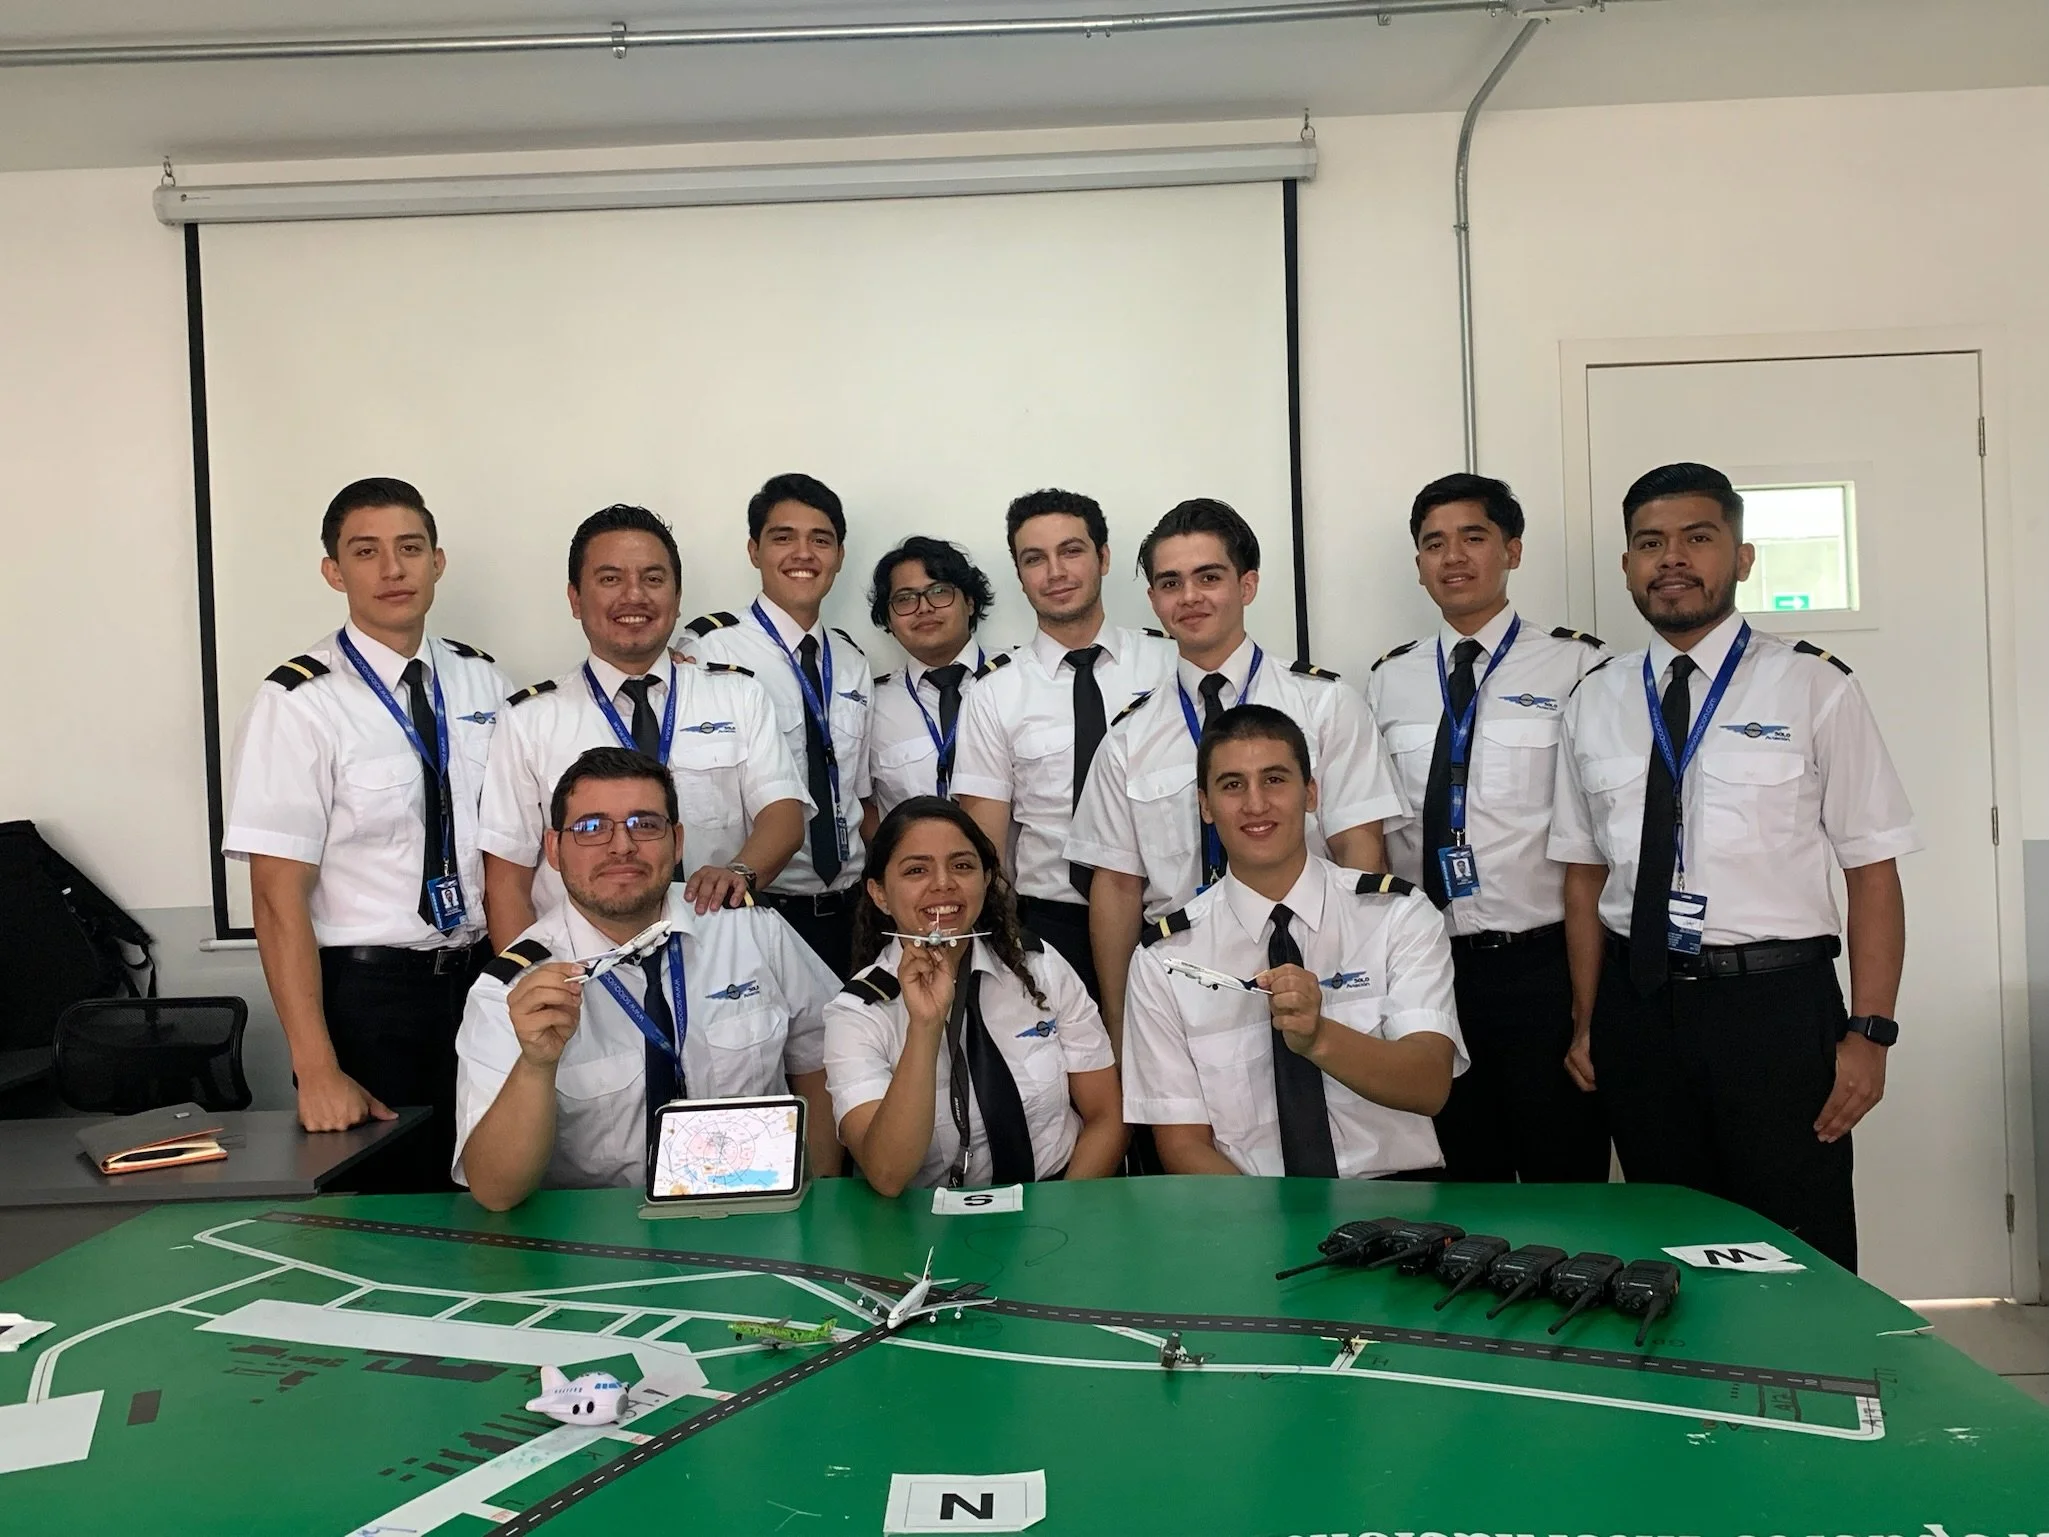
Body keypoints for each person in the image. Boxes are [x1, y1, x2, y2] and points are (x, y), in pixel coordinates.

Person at [1550, 462, 1917, 1271]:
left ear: (1740, 557)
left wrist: (1871, 1031)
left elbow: (1871, 871)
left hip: (1774, 1009)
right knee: (1668, 1243)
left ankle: (1815, 1395)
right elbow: (1582, 874)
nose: (1671, 558)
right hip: (1638, 1008)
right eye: (1649, 542)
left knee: (1798, 1240)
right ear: (1626, 566)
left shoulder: (1812, 688)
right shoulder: (1595, 697)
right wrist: (1587, 1018)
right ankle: (1694, 1395)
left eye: (1696, 537)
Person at [223, 476, 511, 1188]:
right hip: (369, 1000)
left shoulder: (484, 681)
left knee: (493, 1194)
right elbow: (275, 897)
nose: (392, 569)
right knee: (385, 1210)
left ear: (437, 561)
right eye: (366, 551)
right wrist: (316, 1065)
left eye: (410, 548)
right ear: (333, 570)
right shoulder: (299, 702)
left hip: (479, 981)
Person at [1066, 497, 1401, 1053]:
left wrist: (1353, 985)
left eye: (1209, 577)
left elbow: (1359, 850)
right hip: (1181, 987)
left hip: (1314, 973)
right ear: (1153, 600)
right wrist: (1123, 1024)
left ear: (1247, 585)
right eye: (1170, 583)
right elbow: (1119, 888)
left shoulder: (1324, 706)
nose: (1190, 597)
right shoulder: (1127, 737)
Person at [454, 748, 842, 1210]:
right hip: (601, 1244)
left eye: (645, 824)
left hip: (761, 1211)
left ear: (677, 842)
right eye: (592, 828)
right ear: (554, 849)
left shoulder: (750, 929)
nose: (622, 846)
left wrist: (821, 1194)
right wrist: (536, 1066)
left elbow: (818, 1061)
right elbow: (496, 1192)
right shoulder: (513, 990)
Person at [1363, 473, 1610, 1183]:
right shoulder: (1387, 678)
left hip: (1541, 967)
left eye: (1473, 537)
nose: (1453, 557)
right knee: (1452, 1179)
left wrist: (1587, 1009)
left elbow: (1597, 846)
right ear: (1418, 564)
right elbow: (1374, 836)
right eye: (1433, 543)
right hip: (1425, 966)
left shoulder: (1577, 666)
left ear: (1512, 549)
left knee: (1563, 1174)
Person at [1121, 705, 1465, 1177]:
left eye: (1275, 779)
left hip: (1397, 1204)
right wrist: (1274, 1235)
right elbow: (1182, 1145)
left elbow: (1429, 1084)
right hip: (1250, 1215)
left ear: (1310, 793)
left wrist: (1320, 1036)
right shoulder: (1165, 959)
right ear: (1205, 805)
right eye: (1232, 785)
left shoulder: (1396, 916)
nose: (1256, 804)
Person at [478, 505, 808, 947]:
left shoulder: (737, 695)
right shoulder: (529, 720)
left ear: (677, 596)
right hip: (583, 970)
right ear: (576, 599)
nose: (634, 596)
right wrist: (529, 990)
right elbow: (507, 883)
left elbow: (783, 816)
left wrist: (740, 874)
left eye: (653, 579)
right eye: (610, 579)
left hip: (717, 952)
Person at [824, 797, 1125, 1195]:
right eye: (917, 870)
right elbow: (887, 1173)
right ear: (879, 893)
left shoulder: (1039, 966)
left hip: (1061, 1197)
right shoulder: (857, 1013)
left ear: (985, 878)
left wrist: (1061, 1219)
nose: (944, 883)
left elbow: (1107, 1116)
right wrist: (926, 1027)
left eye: (962, 865)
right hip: (933, 1222)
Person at [954, 489, 1177, 1000]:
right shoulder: (994, 692)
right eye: (1035, 558)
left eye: (1071, 551)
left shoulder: (1170, 664)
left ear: (1103, 557)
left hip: (1166, 915)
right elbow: (988, 843)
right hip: (1054, 927)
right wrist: (1009, 943)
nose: (1055, 572)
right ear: (1020, 574)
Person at [679, 473, 876, 978]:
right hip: (759, 905)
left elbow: (857, 794)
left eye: (820, 539)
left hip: (855, 911)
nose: (803, 553)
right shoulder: (708, 651)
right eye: (783, 537)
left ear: (839, 554)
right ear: (754, 550)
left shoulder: (851, 661)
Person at [864, 536, 996, 814]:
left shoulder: (1018, 676)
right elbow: (860, 806)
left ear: (970, 602)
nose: (924, 608)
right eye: (905, 598)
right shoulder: (869, 706)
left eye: (938, 592)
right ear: (888, 619)